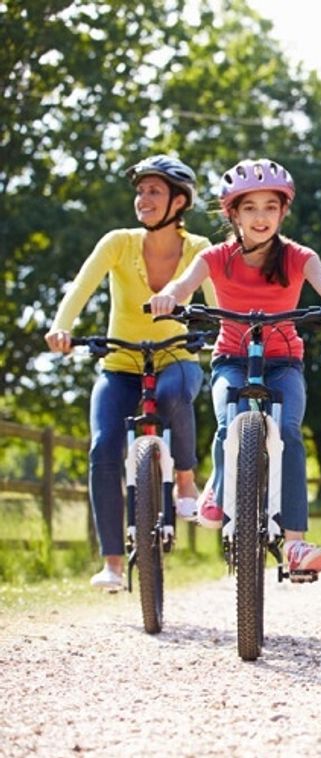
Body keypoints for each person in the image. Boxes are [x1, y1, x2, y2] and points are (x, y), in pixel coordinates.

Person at [148, 158, 321, 577]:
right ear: (233, 214)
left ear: (283, 211)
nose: (260, 217)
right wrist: (169, 297)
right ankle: (220, 489)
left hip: (284, 362)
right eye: (250, 208)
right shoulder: (215, 257)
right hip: (232, 358)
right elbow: (183, 285)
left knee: (289, 433)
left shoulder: (299, 257)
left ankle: (295, 544)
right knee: (230, 421)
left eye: (270, 207)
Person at [45, 154, 215, 592]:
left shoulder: (199, 250)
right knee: (103, 447)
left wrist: (222, 336)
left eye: (154, 191)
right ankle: (113, 564)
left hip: (176, 357)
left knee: (177, 395)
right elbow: (80, 287)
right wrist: (62, 327)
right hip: (120, 363)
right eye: (140, 191)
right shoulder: (118, 242)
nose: (143, 198)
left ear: (179, 201)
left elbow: (217, 308)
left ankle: (184, 480)